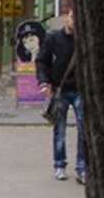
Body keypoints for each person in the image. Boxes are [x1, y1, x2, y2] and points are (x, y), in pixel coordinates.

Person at [37, 10, 86, 184]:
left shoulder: (86, 39)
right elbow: (42, 61)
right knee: (60, 129)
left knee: (84, 129)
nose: (75, 21)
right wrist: (44, 82)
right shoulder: (53, 38)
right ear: (66, 18)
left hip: (81, 90)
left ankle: (82, 167)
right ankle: (59, 165)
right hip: (60, 89)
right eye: (72, 17)